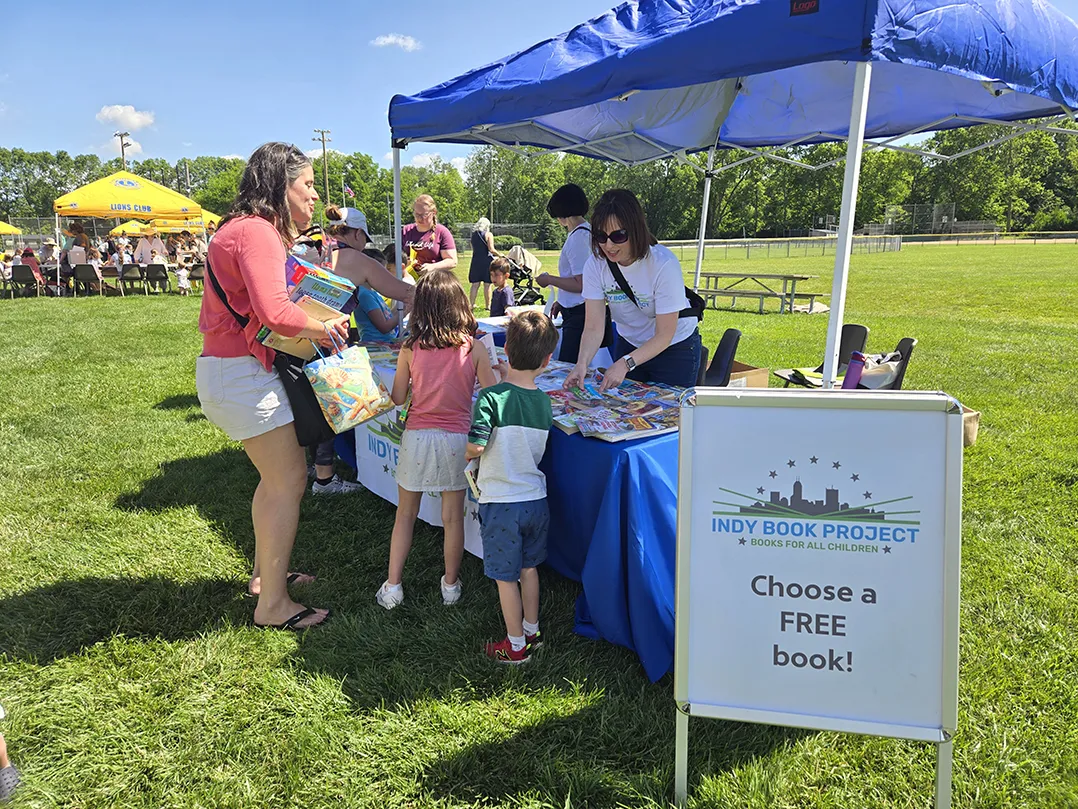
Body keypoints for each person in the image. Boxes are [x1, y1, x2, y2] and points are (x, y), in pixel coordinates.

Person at [197, 141, 348, 631]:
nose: (313, 198)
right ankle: (273, 607)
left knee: (273, 480)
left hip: (230, 373)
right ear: (280, 186)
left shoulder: (239, 229)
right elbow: (275, 313)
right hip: (242, 377)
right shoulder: (258, 233)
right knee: (289, 481)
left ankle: (266, 578)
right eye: (306, 185)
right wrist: (326, 326)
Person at [375, 270, 502, 611]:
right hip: (457, 440)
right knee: (452, 519)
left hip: (417, 436)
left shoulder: (410, 348)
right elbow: (492, 397)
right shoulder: (473, 348)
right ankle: (450, 585)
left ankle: (393, 585)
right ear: (459, 304)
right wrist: (499, 372)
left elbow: (399, 398)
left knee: (405, 514)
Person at [466, 311, 559, 664]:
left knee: (505, 578)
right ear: (548, 361)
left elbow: (476, 446)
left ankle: (516, 645)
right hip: (536, 498)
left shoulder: (491, 400)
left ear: (505, 353)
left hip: (501, 502)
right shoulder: (544, 402)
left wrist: (464, 453)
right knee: (529, 569)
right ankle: (532, 630)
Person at [565, 188, 702, 392]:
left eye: (618, 236)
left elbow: (665, 334)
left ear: (636, 230)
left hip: (674, 348)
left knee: (670, 416)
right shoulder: (595, 265)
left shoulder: (663, 263)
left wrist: (625, 363)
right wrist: (582, 363)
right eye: (601, 236)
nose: (608, 245)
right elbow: (593, 326)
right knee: (622, 411)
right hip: (630, 343)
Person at [537, 183, 596, 363]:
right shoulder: (583, 232)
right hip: (577, 310)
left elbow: (582, 284)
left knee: (568, 367)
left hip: (580, 316)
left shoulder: (579, 238)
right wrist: (562, 301)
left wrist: (549, 280)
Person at [400, 194, 457, 275]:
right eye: (417, 214)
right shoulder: (406, 230)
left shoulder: (442, 232)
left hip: (434, 281)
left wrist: (433, 267)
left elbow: (452, 261)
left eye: (424, 215)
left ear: (434, 212)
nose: (420, 218)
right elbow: (396, 256)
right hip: (409, 281)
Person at [468, 217, 499, 310]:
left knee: (475, 284)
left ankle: (471, 304)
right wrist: (500, 254)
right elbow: (491, 249)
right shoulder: (488, 234)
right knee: (487, 284)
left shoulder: (473, 235)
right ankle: (488, 305)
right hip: (486, 261)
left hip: (476, 260)